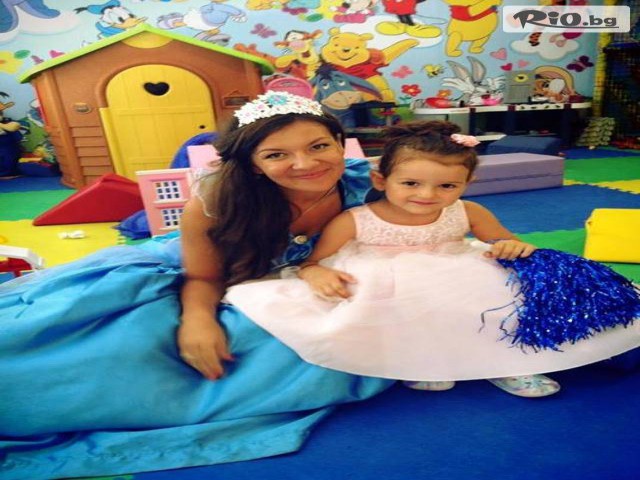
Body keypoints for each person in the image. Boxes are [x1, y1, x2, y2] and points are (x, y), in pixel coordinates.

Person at [0, 92, 395, 480]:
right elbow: (203, 276)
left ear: (340, 143)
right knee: (115, 345)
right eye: (277, 154)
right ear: (254, 165)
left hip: (296, 287)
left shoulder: (369, 183)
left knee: (291, 351)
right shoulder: (219, 199)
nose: (305, 163)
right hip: (200, 278)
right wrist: (198, 320)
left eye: (319, 146)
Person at [225, 121, 640, 398]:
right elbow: (315, 260)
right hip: (382, 275)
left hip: (458, 267)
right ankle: (425, 362)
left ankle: (508, 362)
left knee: (498, 300)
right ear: (380, 179)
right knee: (401, 308)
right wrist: (315, 273)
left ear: (467, 182)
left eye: (446, 186)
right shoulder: (356, 219)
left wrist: (510, 247)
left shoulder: (468, 211)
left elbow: (507, 242)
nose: (427, 195)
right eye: (410, 183)